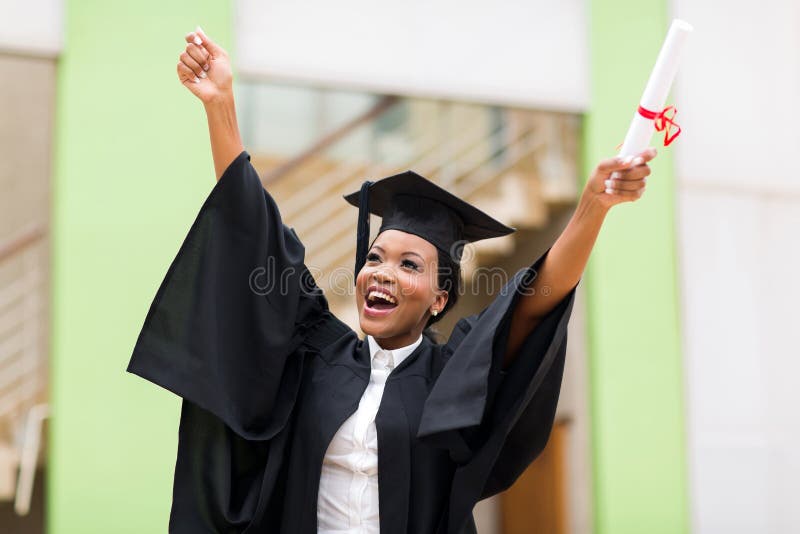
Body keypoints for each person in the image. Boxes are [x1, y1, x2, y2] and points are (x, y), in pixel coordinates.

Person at [127, 28, 655, 534]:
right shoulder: (315, 357)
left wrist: (592, 206)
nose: (383, 273)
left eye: (410, 265)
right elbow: (252, 230)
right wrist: (220, 104)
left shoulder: (452, 380)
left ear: (439, 297)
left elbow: (533, 305)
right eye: (376, 258)